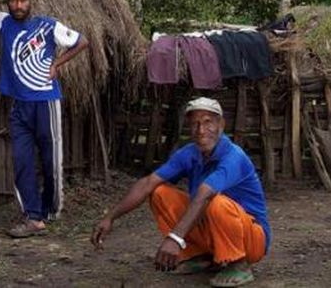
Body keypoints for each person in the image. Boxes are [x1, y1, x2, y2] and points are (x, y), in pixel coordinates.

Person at [90, 97, 270, 288]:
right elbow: (148, 183)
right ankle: (199, 255)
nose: (201, 130)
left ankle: (238, 264)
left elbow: (205, 194)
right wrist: (110, 217)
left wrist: (175, 238)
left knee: (216, 202)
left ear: (221, 124)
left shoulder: (234, 156)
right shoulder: (190, 153)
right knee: (160, 193)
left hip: (251, 240)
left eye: (208, 122)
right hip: (213, 232)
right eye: (195, 124)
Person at [0, 0, 88, 238]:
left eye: (23, 1)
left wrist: (57, 63)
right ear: (8, 3)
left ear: (30, 1)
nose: (18, 5)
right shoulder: (3, 23)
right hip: (19, 105)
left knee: (50, 160)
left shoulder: (47, 25)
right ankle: (33, 216)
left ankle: (49, 210)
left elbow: (82, 41)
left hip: (45, 102)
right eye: (13, 1)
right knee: (22, 161)